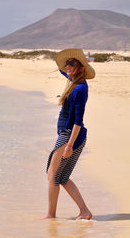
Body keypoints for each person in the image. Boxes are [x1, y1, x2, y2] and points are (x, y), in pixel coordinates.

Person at [42, 48, 95, 220]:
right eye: (68, 63)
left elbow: (78, 121)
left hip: (70, 135)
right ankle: (84, 211)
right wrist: (67, 61)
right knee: (62, 177)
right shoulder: (73, 81)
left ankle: (50, 215)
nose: (68, 66)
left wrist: (70, 145)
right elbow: (61, 69)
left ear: (81, 68)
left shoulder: (79, 89)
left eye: (72, 63)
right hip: (72, 136)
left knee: (52, 174)